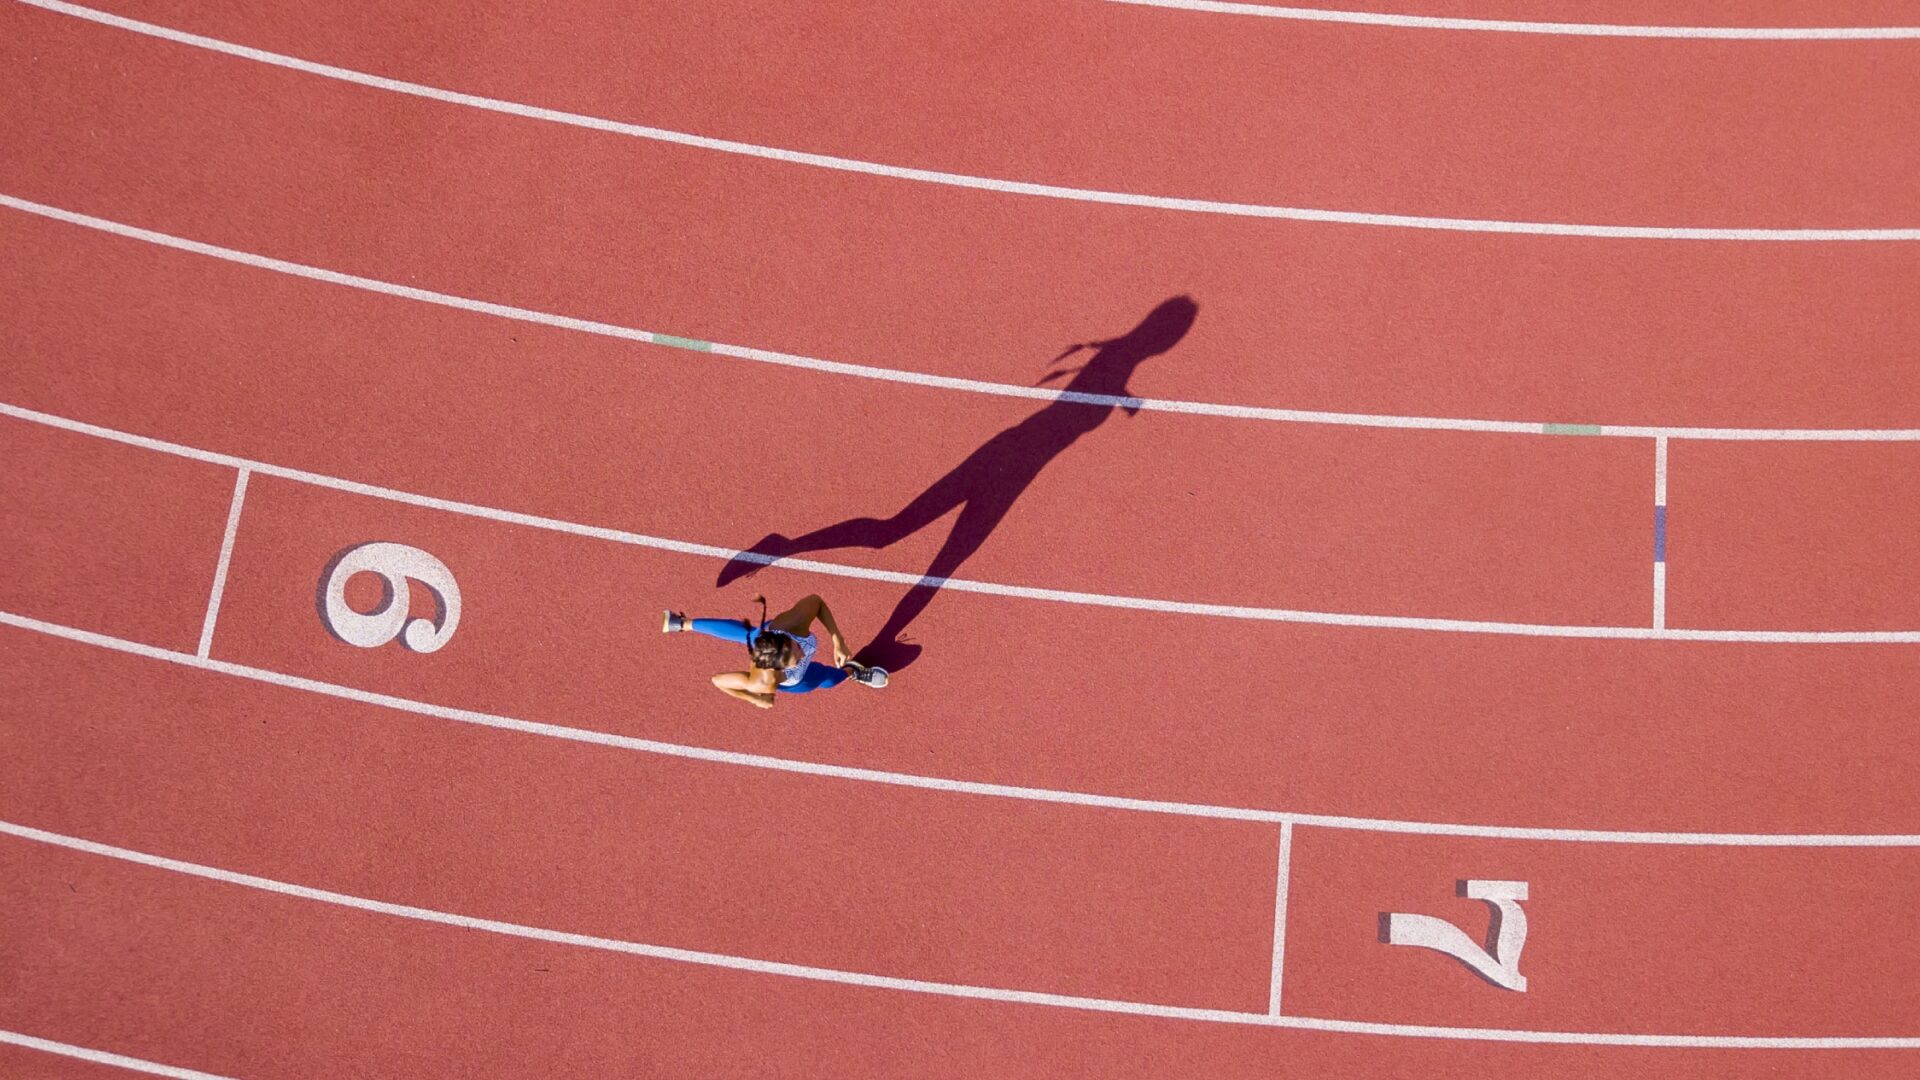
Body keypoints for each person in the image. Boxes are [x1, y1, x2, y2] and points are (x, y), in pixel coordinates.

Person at [662, 594, 886, 708]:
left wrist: (838, 640)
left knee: (750, 634)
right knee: (828, 680)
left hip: (769, 634)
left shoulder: (792, 626)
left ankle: (682, 623)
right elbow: (717, 680)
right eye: (796, 656)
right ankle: (852, 671)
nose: (802, 652)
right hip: (797, 681)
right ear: (778, 667)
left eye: (795, 646)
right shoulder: (763, 683)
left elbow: (816, 601)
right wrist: (753, 699)